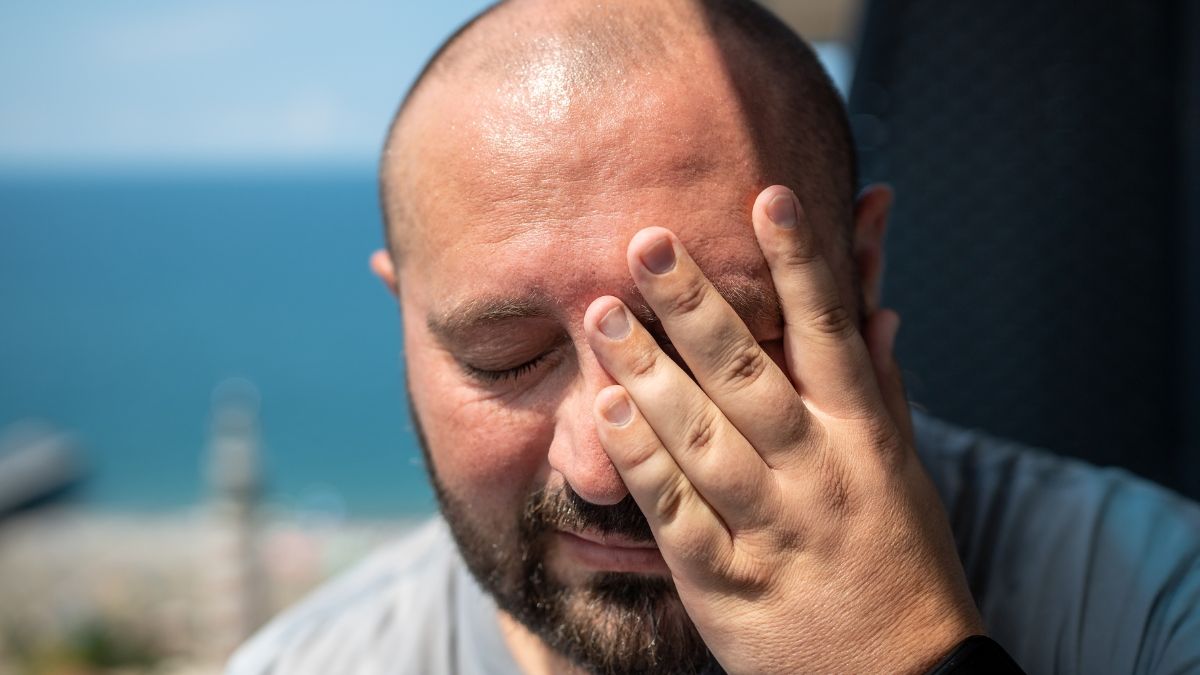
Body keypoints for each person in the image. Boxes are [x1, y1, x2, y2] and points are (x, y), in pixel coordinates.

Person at [228, 0, 1200, 673]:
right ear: (405, 315)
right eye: (507, 357)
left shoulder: (1152, 602)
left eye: (708, 342)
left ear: (858, 274)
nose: (608, 470)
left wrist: (905, 659)